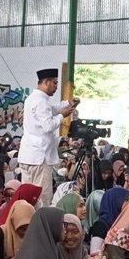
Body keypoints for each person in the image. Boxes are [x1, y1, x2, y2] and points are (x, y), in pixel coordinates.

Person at [16, 68, 78, 207]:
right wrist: (62, 116)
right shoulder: (41, 101)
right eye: (55, 83)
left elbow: (51, 110)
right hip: (40, 158)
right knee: (42, 199)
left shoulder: (32, 99)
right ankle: (41, 221)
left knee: (27, 199)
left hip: (28, 156)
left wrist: (67, 103)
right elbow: (48, 126)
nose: (56, 87)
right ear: (46, 82)